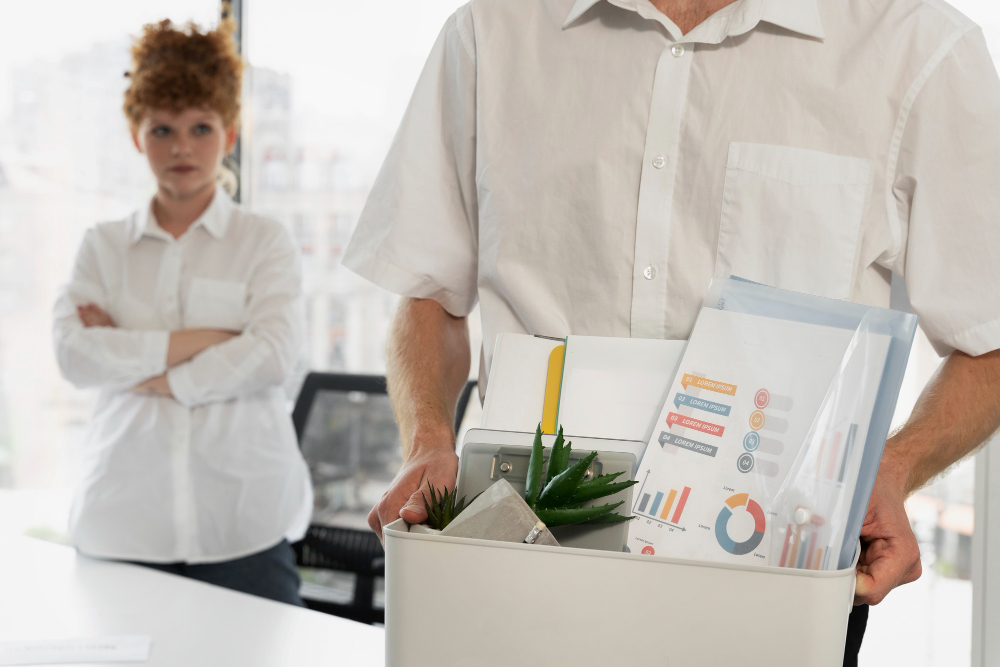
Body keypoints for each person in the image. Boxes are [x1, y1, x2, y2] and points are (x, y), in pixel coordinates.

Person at [343, 0, 1000, 661]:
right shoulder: (490, 32)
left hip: (770, 586)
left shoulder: (916, 46)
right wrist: (427, 436)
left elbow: (992, 341)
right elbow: (428, 293)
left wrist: (890, 468)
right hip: (514, 564)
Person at [52, 19, 311, 606]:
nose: (182, 148)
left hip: (243, 524)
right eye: (162, 129)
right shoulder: (103, 245)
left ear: (231, 133)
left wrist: (145, 371)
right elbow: (73, 354)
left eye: (201, 127)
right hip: (123, 519)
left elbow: (273, 354)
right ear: (136, 136)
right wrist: (211, 340)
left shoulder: (263, 241)